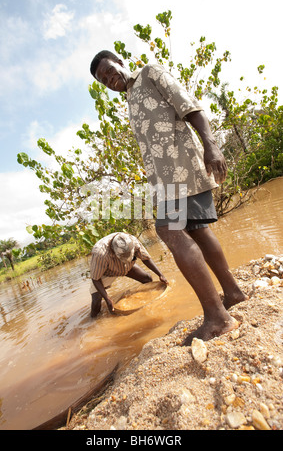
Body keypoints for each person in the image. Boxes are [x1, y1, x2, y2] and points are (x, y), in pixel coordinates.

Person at [90, 51, 247, 343]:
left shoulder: (150, 73)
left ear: (121, 62)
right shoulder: (130, 99)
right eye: (104, 80)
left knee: (168, 229)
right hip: (166, 181)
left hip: (181, 170)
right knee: (198, 230)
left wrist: (210, 145)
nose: (110, 80)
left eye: (110, 71)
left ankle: (217, 319)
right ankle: (234, 294)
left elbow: (189, 107)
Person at [89, 232, 168, 317]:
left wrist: (160, 275)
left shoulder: (133, 242)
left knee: (147, 279)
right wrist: (107, 299)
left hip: (127, 266)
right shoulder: (100, 253)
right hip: (106, 272)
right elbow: (95, 279)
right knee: (96, 302)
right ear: (113, 251)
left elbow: (145, 258)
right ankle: (93, 320)